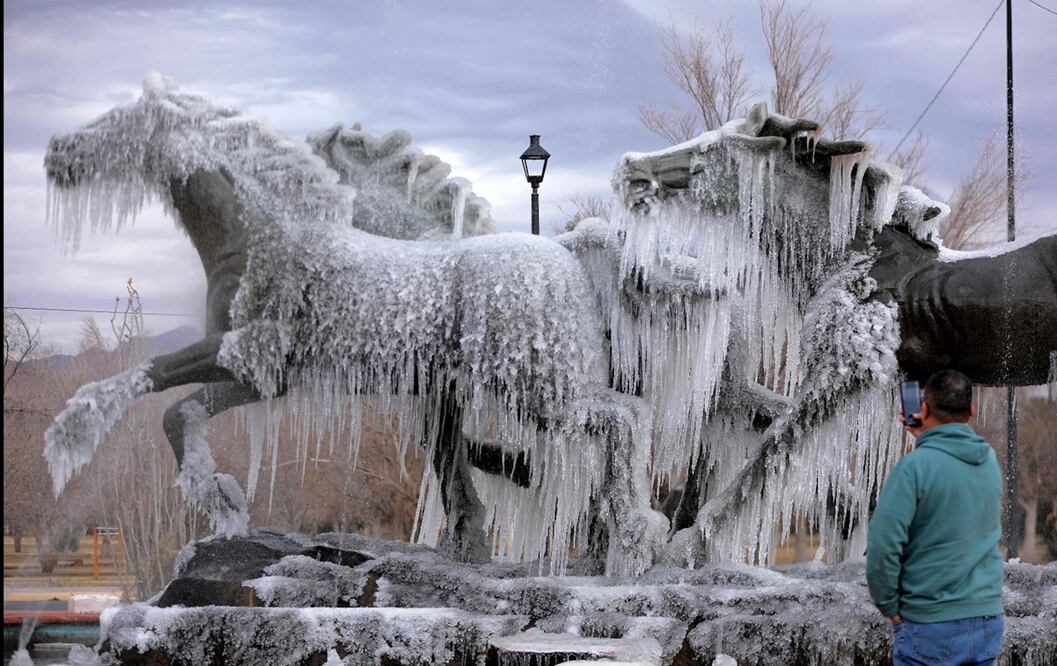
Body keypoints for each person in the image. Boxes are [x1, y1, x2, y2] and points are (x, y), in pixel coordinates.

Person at [866, 370, 1004, 666]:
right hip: (986, 619)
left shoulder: (913, 468)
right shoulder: (988, 461)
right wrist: (927, 438)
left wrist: (890, 606)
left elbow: (882, 547)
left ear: (924, 408)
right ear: (970, 412)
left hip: (931, 623)